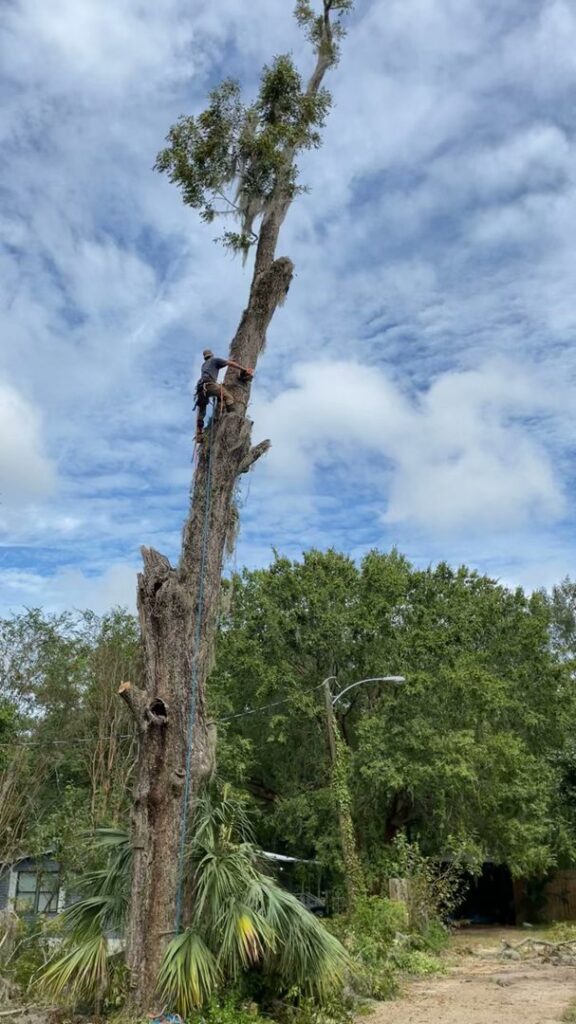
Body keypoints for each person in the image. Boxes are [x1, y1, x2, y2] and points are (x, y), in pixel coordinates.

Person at [194, 348, 253, 441]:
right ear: (212, 355)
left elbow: (222, 365)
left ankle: (199, 434)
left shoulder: (204, 365)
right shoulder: (215, 360)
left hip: (201, 389)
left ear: (205, 357)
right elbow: (231, 364)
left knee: (202, 412)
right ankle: (233, 416)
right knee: (228, 397)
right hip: (209, 385)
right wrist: (245, 369)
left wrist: (227, 361)